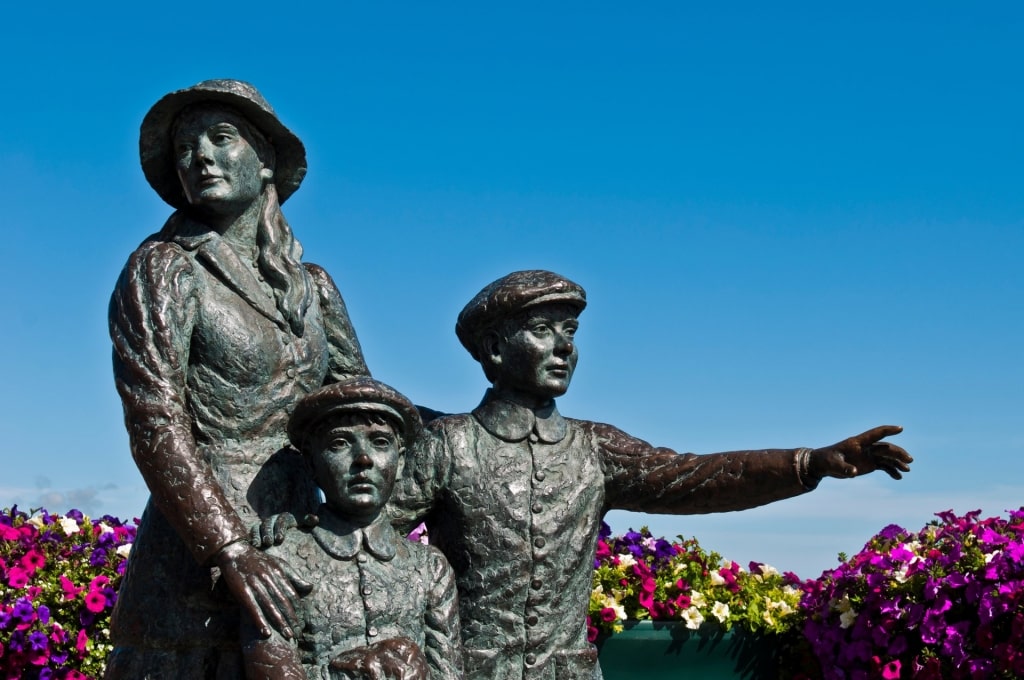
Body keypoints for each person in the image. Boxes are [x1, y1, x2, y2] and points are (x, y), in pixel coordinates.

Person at [390, 269, 913, 680]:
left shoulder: (593, 447)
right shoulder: (448, 444)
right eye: (542, 330)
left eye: (569, 332)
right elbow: (379, 546)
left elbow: (691, 478)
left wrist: (809, 463)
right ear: (495, 348)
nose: (564, 347)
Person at [107, 80, 369, 678]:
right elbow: (155, 423)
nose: (199, 157)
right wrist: (231, 549)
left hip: (300, 547)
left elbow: (361, 409)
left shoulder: (315, 287)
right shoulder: (164, 267)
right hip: (194, 570)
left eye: (220, 139)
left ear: (267, 160)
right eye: (185, 149)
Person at [243, 377, 462, 680]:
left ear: (400, 464)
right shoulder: (280, 560)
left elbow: (449, 673)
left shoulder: (430, 568)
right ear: (311, 465)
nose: (362, 459)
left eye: (380, 442)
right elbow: (269, 669)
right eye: (339, 444)